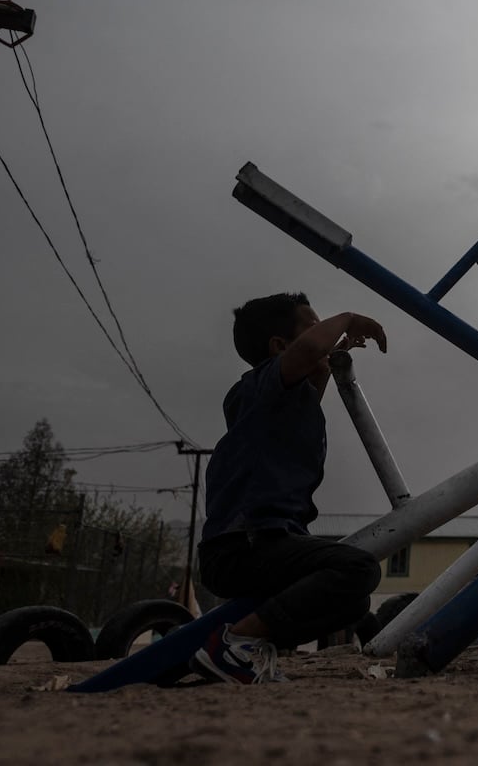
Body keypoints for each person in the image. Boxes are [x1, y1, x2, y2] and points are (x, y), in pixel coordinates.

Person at [189, 292, 388, 684]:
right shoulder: (258, 387)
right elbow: (308, 353)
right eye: (312, 327)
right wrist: (347, 318)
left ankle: (246, 651)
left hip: (264, 544)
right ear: (280, 347)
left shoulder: (287, 402)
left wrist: (333, 356)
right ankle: (237, 642)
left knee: (354, 601)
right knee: (358, 568)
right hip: (241, 546)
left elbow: (311, 377)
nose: (322, 337)